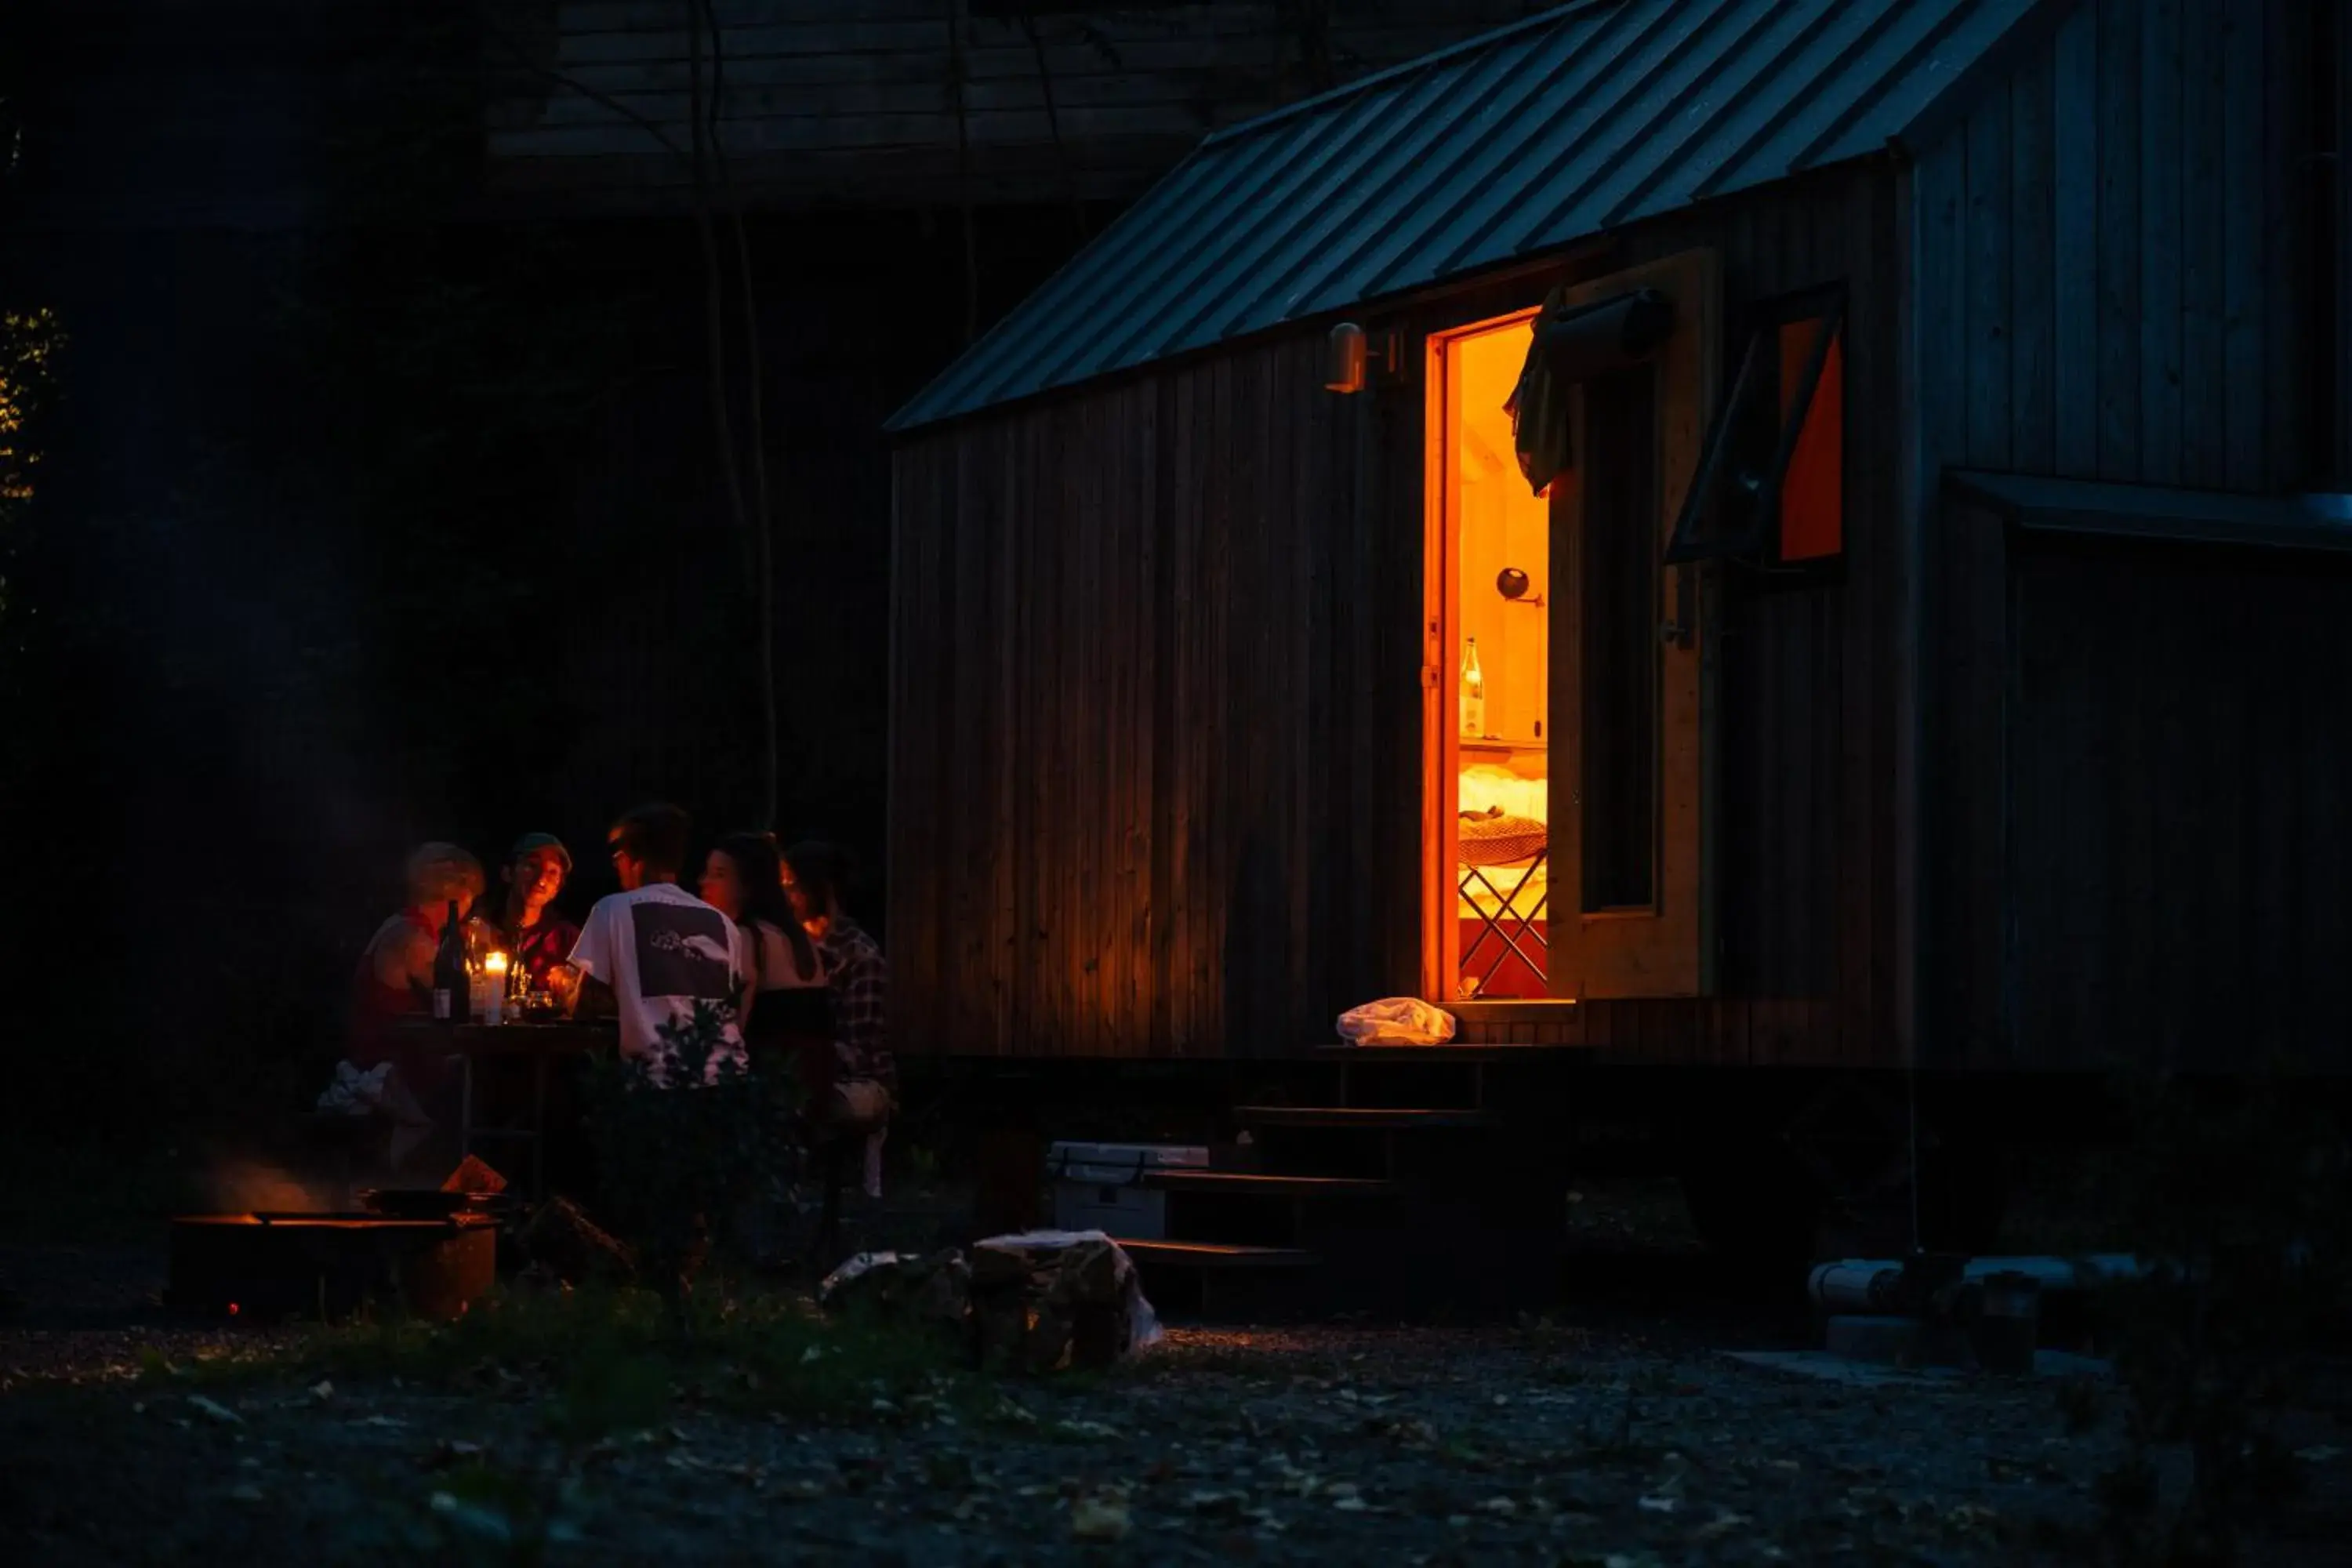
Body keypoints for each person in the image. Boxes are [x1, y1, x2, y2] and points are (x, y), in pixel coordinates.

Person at [568, 803, 752, 1083]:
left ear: (632, 858)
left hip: (658, 1086)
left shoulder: (611, 910)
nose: (617, 867)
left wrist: (563, 987)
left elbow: (585, 1006)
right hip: (729, 1081)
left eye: (617, 858)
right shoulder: (724, 923)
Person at [341, 842, 485, 1164]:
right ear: (457, 897)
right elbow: (458, 1003)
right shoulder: (413, 938)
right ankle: (452, 1178)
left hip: (391, 1049)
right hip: (388, 1059)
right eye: (469, 901)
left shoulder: (397, 923)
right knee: (483, 1083)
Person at [699, 832, 832, 1095]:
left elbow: (732, 1029)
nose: (705, 883)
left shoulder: (749, 939)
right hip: (814, 1085)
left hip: (772, 1092)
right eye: (707, 873)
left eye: (720, 875)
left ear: (748, 885)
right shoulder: (799, 938)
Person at [782, 839, 893, 1130]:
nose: (785, 895)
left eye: (791, 885)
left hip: (860, 1083)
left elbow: (862, 1050)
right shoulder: (784, 948)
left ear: (821, 889)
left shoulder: (858, 956)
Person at [470, 832, 581, 995]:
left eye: (552, 872)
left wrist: (569, 984)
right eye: (532, 866)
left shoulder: (567, 940)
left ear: (557, 888)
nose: (541, 879)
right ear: (508, 873)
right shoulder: (477, 931)